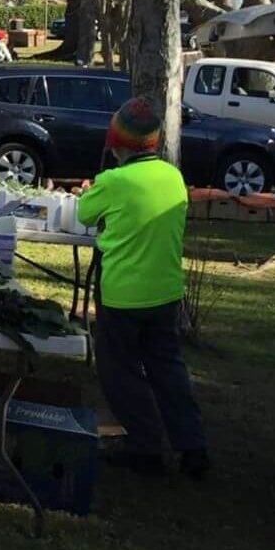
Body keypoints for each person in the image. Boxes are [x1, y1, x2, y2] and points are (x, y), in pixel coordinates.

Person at [76, 97, 210, 480]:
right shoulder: (173, 177)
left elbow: (85, 213)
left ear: (116, 144)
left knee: (120, 372)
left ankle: (145, 446)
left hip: (122, 293)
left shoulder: (114, 180)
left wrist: (95, 187)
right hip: (166, 290)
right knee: (169, 369)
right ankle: (192, 445)